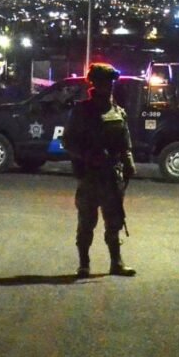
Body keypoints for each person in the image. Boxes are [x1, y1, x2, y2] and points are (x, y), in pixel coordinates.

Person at [63, 63, 137, 278]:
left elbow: (125, 142)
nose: (110, 86)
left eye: (112, 82)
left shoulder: (117, 111)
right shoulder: (82, 111)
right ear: (95, 83)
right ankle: (84, 264)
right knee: (87, 222)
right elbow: (68, 141)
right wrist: (87, 156)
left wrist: (129, 162)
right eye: (106, 82)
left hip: (112, 175)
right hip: (90, 175)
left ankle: (116, 262)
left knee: (114, 221)